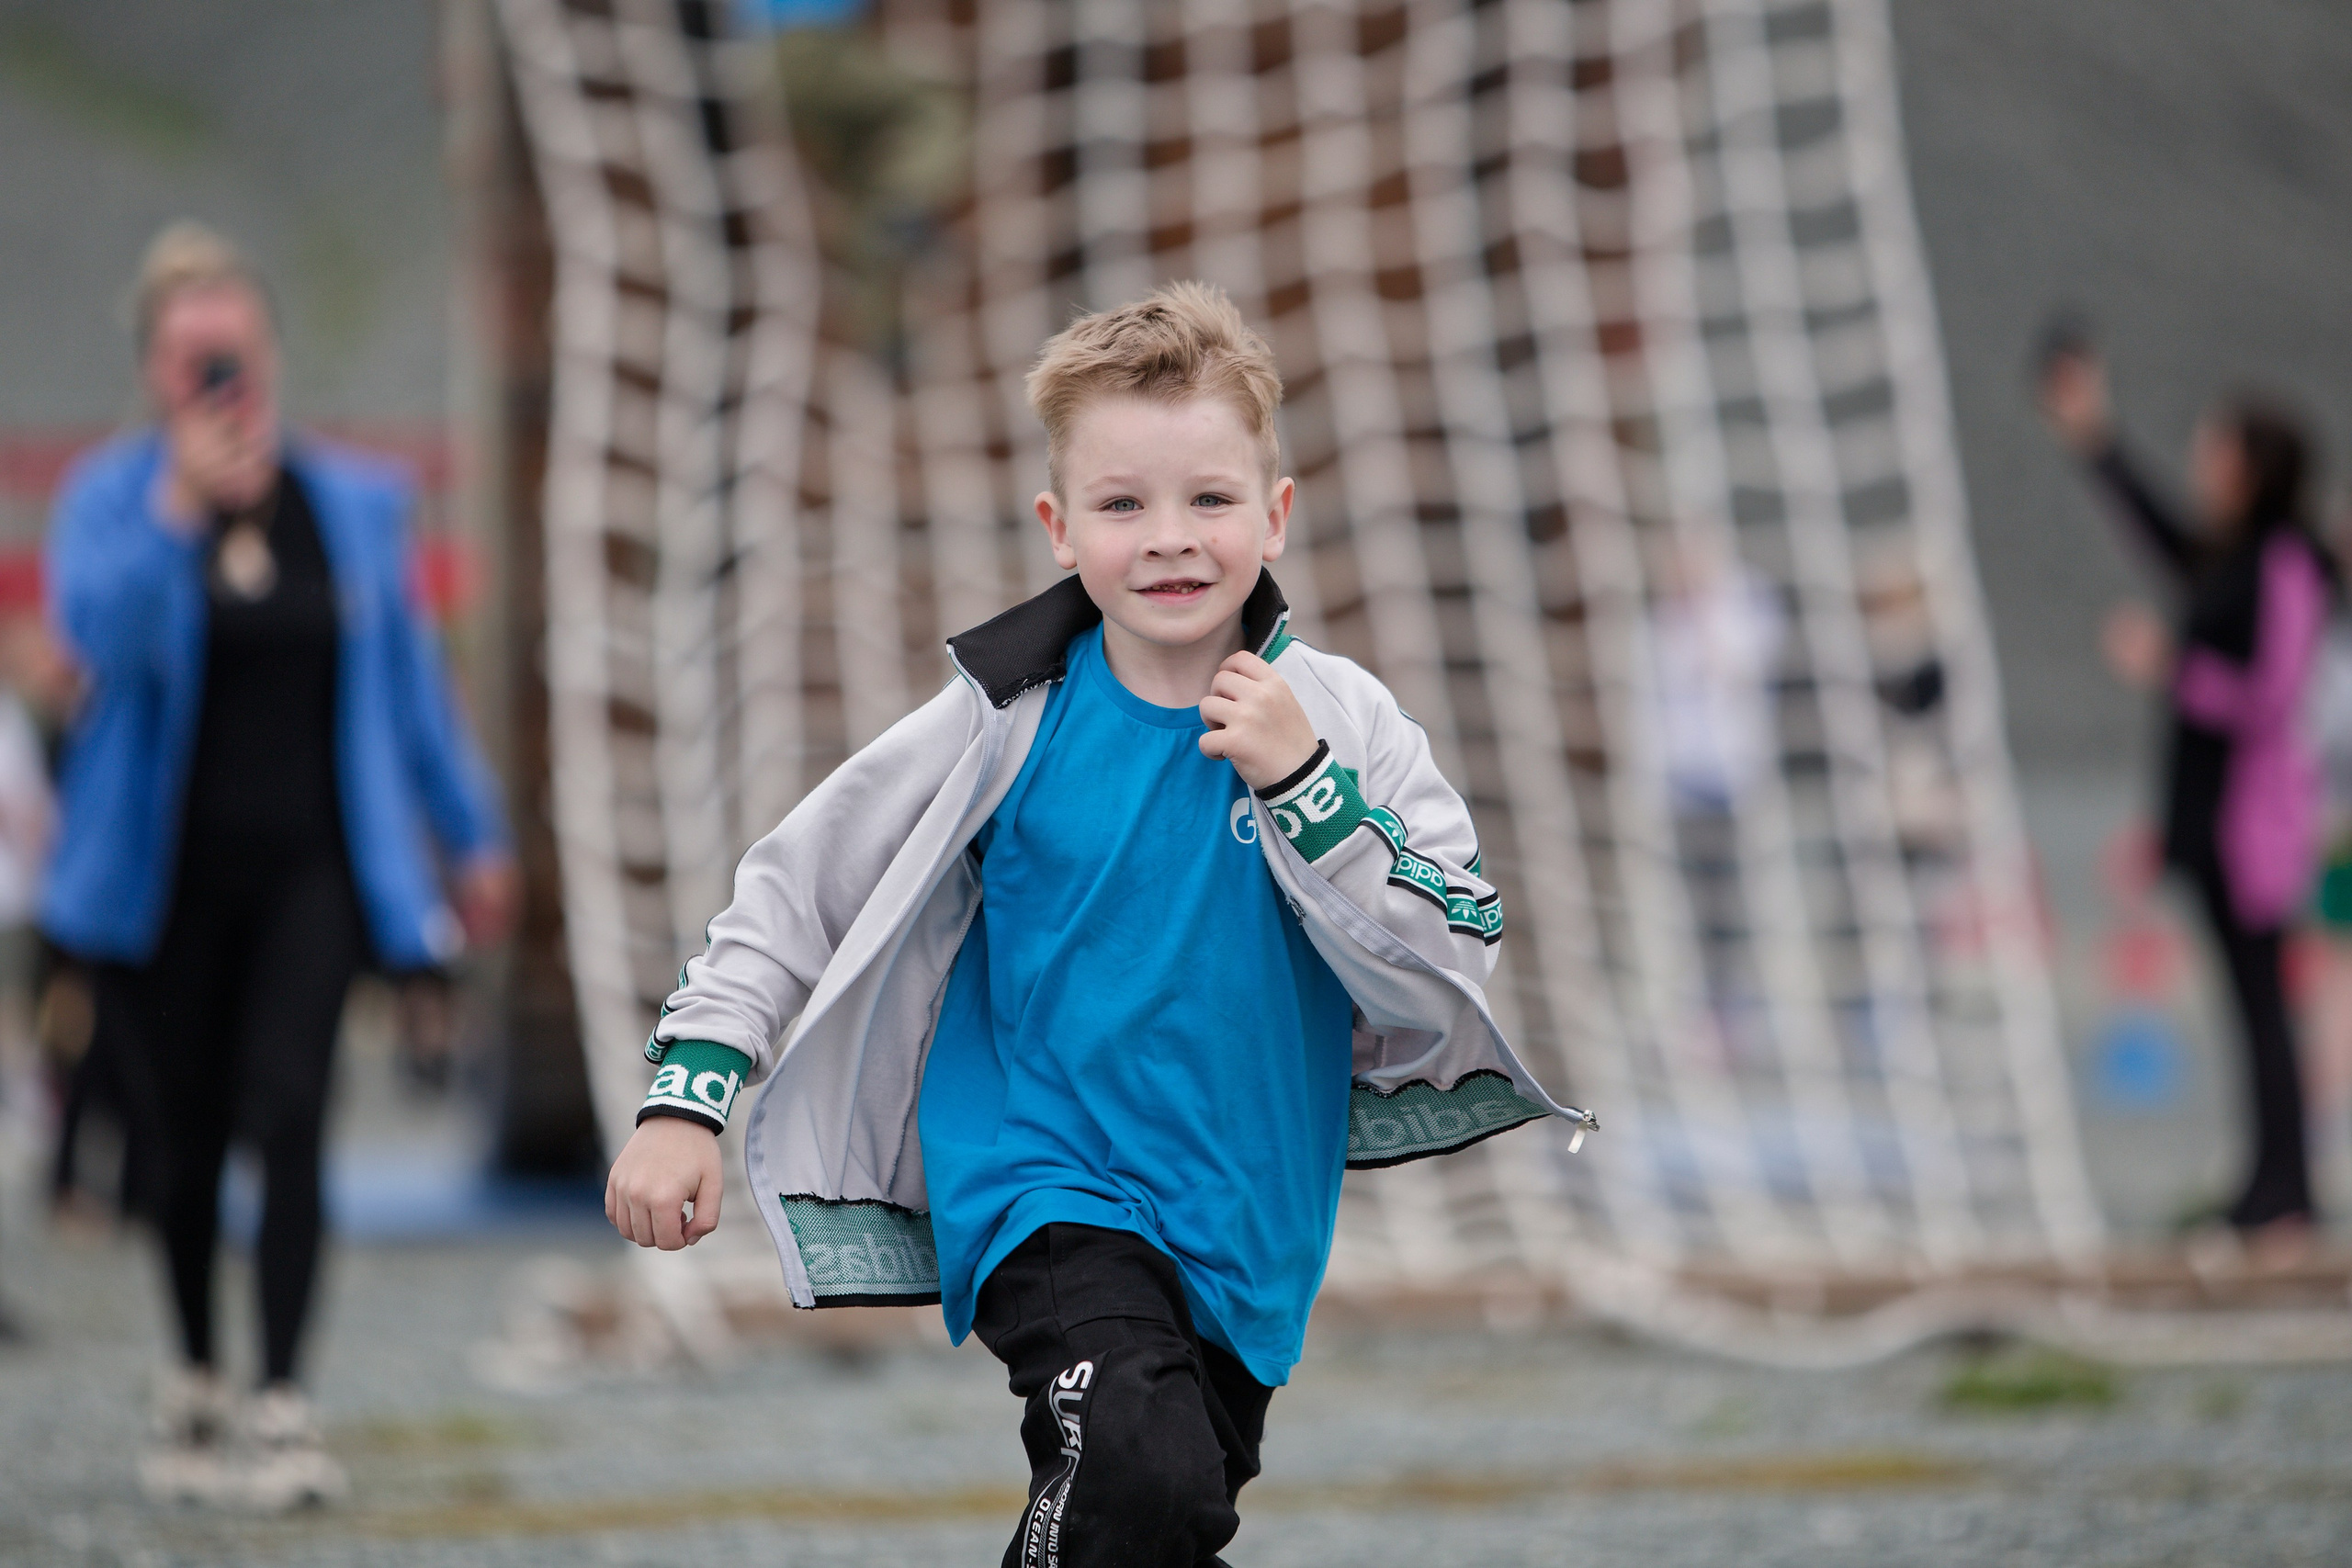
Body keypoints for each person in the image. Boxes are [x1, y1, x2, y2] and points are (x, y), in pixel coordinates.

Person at [603, 282, 1589, 1565]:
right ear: (1061, 528)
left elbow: (1450, 958)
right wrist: (687, 1099)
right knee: (1130, 1456)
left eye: (1210, 500)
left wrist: (1305, 788)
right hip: (1043, 1175)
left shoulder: (1339, 721)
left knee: (1162, 1514)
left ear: (1275, 514)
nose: (1170, 537)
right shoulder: (998, 718)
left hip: (1244, 1217)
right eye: (1124, 504)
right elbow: (801, 884)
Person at [43, 223, 516, 1507]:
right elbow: (98, 646)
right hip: (161, 879)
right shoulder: (110, 499)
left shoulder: (353, 504)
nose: (220, 382)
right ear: (153, 370)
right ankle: (196, 1365)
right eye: (194, 360)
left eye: (237, 355)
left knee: (292, 1110)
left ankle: (284, 1398)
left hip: (314, 866)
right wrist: (179, 511)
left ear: (271, 357)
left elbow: (411, 686)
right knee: (185, 1140)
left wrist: (471, 831)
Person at [2041, 344, 2330, 1262]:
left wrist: (2174, 669)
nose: (2203, 459)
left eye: (2216, 447)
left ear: (2254, 462)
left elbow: (2272, 697)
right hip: (2208, 819)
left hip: (2256, 824)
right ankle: (2263, 1188)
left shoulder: (2285, 563)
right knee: (2243, 1008)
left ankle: (2289, 1197)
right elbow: (2164, 539)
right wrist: (2097, 442)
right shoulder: (2230, 556)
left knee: (2265, 1008)